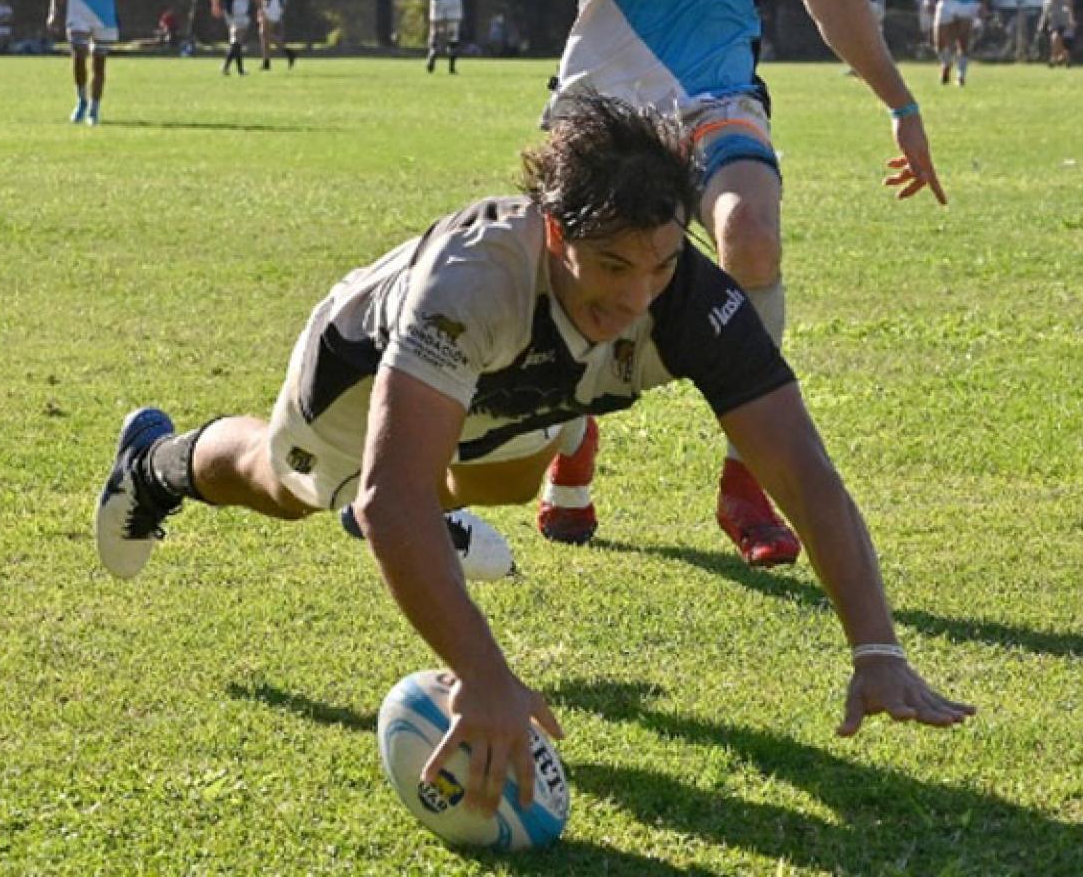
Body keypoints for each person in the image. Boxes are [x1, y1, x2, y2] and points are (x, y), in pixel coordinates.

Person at [94, 95, 974, 815]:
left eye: (660, 264)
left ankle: (420, 526)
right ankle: (153, 464)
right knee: (287, 486)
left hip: (525, 396)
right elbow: (400, 495)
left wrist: (876, 649)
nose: (636, 296)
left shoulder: (688, 296)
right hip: (365, 372)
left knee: (507, 485)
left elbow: (802, 473)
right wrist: (484, 675)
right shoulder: (475, 281)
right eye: (611, 264)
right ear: (554, 233)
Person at [536, 0, 947, 568]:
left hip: (715, 96)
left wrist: (901, 107)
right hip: (601, 94)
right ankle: (573, 438)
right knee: (585, 275)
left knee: (750, 234)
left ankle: (745, 484)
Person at [47, 0, 119, 125]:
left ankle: (94, 109)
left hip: (104, 14)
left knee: (99, 63)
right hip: (78, 10)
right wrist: (54, 12)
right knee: (79, 54)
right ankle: (82, 101)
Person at [933, 0, 989, 85]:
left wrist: (983, 4)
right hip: (946, 2)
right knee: (939, 42)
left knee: (963, 42)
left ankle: (960, 76)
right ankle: (946, 63)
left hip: (967, 3)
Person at [211, 0, 252, 76]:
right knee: (237, 40)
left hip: (232, 7)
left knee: (236, 41)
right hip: (238, 7)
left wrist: (215, 4)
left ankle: (236, 69)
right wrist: (215, 4)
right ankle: (230, 68)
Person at [258, 0, 297, 70]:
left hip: (272, 5)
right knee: (264, 36)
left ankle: (289, 52)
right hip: (272, 4)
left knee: (264, 33)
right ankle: (266, 63)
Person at [427, 0, 463, 74]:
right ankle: (451, 67)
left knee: (435, 28)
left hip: (438, 0)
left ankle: (433, 51)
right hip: (454, 1)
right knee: (453, 34)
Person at [1041, 0, 1075, 66]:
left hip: (1062, 15)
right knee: (1056, 36)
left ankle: (1058, 57)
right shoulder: (1047, 2)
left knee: (1064, 38)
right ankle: (1056, 57)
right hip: (1055, 16)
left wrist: (1071, 18)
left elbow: (1069, 3)